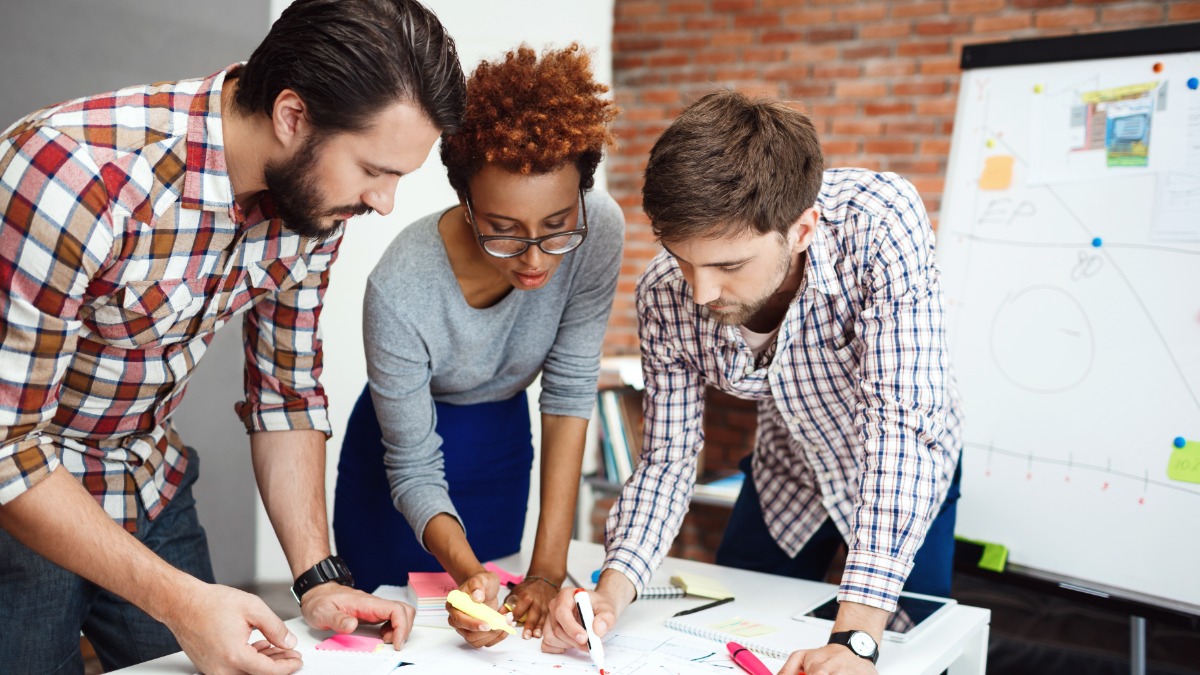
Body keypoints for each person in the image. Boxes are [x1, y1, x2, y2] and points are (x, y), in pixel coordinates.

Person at [0, 1, 465, 673]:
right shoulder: (71, 176)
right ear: (292, 115)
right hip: (22, 500)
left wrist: (318, 578)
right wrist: (178, 601)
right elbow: (7, 447)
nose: (384, 202)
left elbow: (286, 395)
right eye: (373, 170)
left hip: (147, 478)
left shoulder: (314, 205)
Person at [542, 91, 963, 675]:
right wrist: (609, 594)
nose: (700, 293)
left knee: (914, 648)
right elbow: (667, 460)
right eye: (682, 259)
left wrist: (856, 640)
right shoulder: (665, 292)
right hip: (788, 468)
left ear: (802, 229)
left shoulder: (880, 223)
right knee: (736, 627)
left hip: (908, 467)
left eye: (729, 266)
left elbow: (901, 427)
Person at [333, 44, 621, 649]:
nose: (536, 260)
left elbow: (570, 391)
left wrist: (547, 570)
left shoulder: (598, 232)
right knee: (390, 640)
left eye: (556, 227)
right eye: (504, 232)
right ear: (466, 205)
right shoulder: (399, 287)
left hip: (501, 444)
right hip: (398, 465)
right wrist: (469, 577)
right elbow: (412, 465)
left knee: (506, 638)